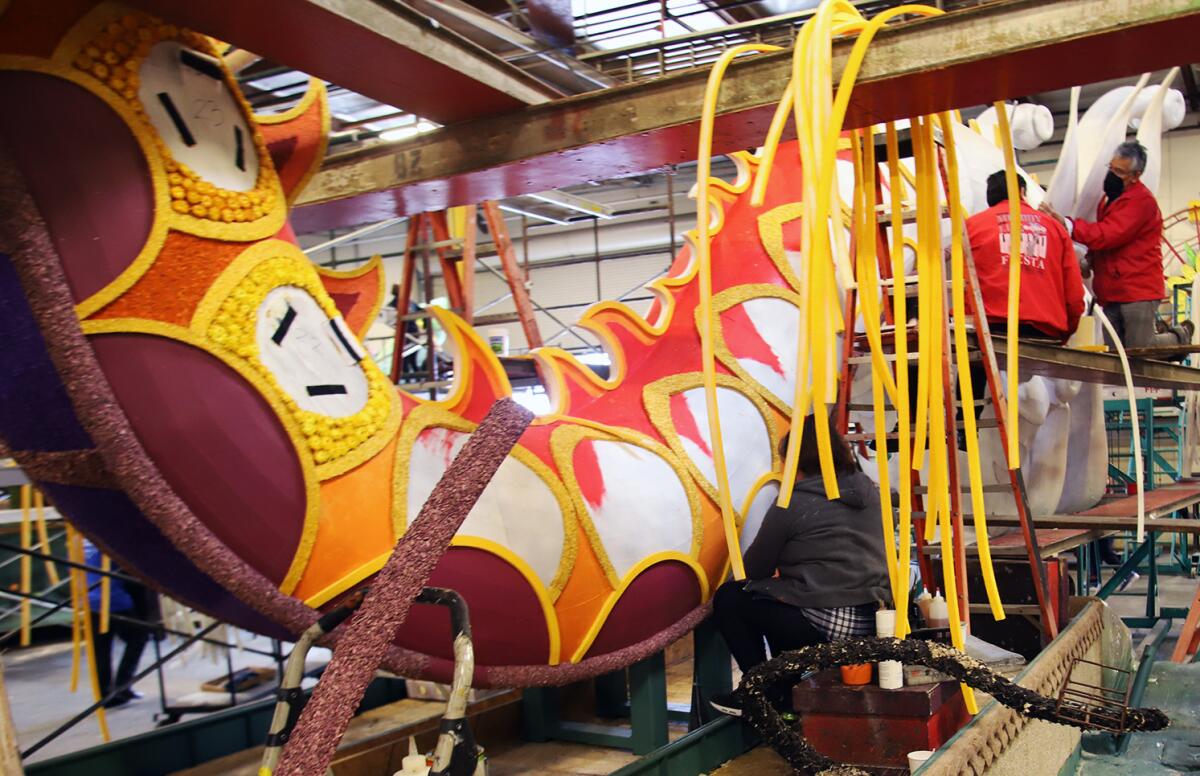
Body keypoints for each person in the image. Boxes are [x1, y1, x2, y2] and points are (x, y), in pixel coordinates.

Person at [709, 415, 889, 717]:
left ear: (794, 463)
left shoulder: (791, 504)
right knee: (784, 597)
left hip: (830, 625)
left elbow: (756, 570)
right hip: (875, 619)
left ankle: (759, 692)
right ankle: (785, 694)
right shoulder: (868, 492)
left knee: (732, 598)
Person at [1041, 140, 1192, 349]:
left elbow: (1109, 234)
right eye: (1111, 168)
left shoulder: (1141, 202)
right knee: (1116, 353)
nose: (1112, 175)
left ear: (1136, 175)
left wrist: (1068, 225)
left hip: (1137, 290)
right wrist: (1090, 260)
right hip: (1111, 290)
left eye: (1119, 171)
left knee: (1140, 348)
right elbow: (1107, 240)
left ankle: (1179, 337)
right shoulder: (1109, 199)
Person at [969, 171, 1085, 344]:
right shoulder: (1054, 228)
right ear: (1022, 192)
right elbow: (1074, 293)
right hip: (1045, 329)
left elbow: (963, 281)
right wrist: (1066, 330)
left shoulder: (972, 226)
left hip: (992, 327)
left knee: (977, 369)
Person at [85, 541, 160, 708]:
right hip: (114, 599)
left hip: (89, 599)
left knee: (101, 648)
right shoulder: (105, 540)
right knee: (139, 637)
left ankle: (105, 693)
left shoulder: (81, 541)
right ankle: (123, 686)